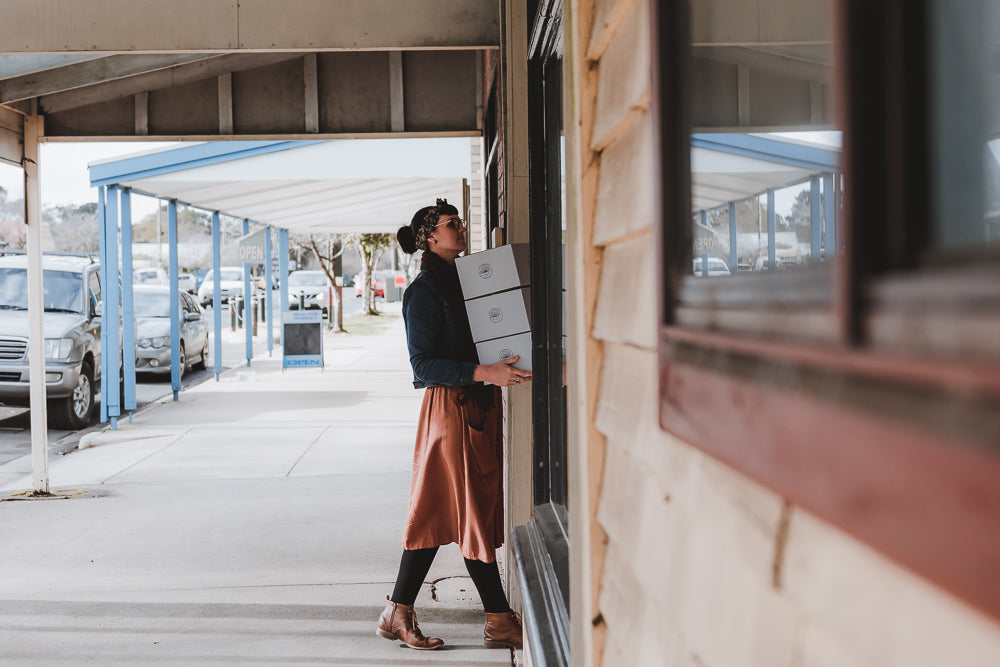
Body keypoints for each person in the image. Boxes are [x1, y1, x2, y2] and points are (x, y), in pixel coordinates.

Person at [376, 198, 530, 651]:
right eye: (452, 223)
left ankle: (397, 612)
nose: (461, 228)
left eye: (460, 221)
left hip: (477, 405)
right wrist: (485, 373)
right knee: (467, 515)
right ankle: (498, 620)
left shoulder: (466, 280)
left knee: (445, 513)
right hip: (450, 409)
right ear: (430, 237)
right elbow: (422, 365)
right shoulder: (424, 290)